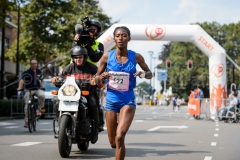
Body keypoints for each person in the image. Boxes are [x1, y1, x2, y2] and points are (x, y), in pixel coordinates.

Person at [90, 26, 152, 160]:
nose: (121, 38)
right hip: (111, 102)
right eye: (118, 36)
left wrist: (142, 73)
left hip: (127, 101)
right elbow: (94, 80)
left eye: (124, 35)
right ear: (114, 39)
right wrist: (102, 77)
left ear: (129, 38)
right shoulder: (107, 57)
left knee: (119, 137)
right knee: (113, 143)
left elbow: (150, 74)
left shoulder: (136, 57)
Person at [51, 45, 100, 144]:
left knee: (92, 105)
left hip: (86, 94)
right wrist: (55, 79)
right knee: (57, 104)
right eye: (75, 57)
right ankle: (61, 124)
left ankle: (95, 131)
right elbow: (60, 77)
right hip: (71, 94)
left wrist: (96, 80)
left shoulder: (92, 68)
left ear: (84, 57)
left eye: (80, 57)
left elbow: (100, 79)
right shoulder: (69, 68)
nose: (77, 59)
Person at [73, 18, 105, 131]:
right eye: (89, 27)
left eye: (94, 29)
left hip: (91, 75)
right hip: (74, 73)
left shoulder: (99, 45)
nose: (91, 30)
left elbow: (94, 57)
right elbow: (73, 53)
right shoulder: (79, 39)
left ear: (98, 31)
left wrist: (86, 45)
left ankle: (98, 124)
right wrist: (76, 41)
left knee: (94, 101)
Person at [17, 58, 45, 128]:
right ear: (30, 64)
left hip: (37, 89)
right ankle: (27, 121)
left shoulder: (39, 71)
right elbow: (22, 81)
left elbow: (42, 79)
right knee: (27, 105)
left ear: (37, 64)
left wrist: (41, 86)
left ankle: (39, 109)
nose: (34, 65)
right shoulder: (26, 72)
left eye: (35, 63)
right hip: (28, 90)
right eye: (32, 64)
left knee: (42, 95)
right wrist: (19, 88)